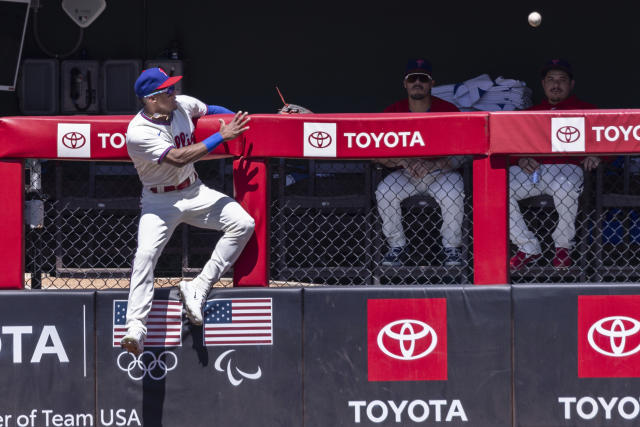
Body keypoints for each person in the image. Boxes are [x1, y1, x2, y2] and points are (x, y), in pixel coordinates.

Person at [121, 68, 255, 355]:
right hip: (159, 203)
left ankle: (199, 285)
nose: (174, 92)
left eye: (172, 88)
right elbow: (178, 158)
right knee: (145, 255)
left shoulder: (181, 104)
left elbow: (211, 108)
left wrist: (237, 120)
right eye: (167, 91)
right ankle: (135, 327)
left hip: (194, 191)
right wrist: (222, 136)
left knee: (243, 223)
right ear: (151, 99)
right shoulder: (138, 132)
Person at [509, 59, 600, 272]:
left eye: (562, 80)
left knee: (565, 186)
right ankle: (527, 246)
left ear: (572, 84)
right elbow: (508, 145)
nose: (556, 85)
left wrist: (598, 155)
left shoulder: (587, 109)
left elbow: (610, 138)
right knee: (497, 188)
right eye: (551, 80)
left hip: (567, 168)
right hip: (532, 171)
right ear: (543, 84)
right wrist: (519, 159)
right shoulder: (530, 113)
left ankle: (562, 246)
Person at [376, 58, 466, 267]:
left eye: (423, 79)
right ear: (405, 84)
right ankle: (397, 246)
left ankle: (451, 248)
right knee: (384, 192)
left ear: (431, 83)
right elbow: (374, 153)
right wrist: (405, 162)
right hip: (405, 173)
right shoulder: (392, 112)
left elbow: (464, 153)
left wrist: (433, 165)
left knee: (453, 192)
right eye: (412, 79)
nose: (418, 83)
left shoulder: (448, 110)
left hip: (440, 173)